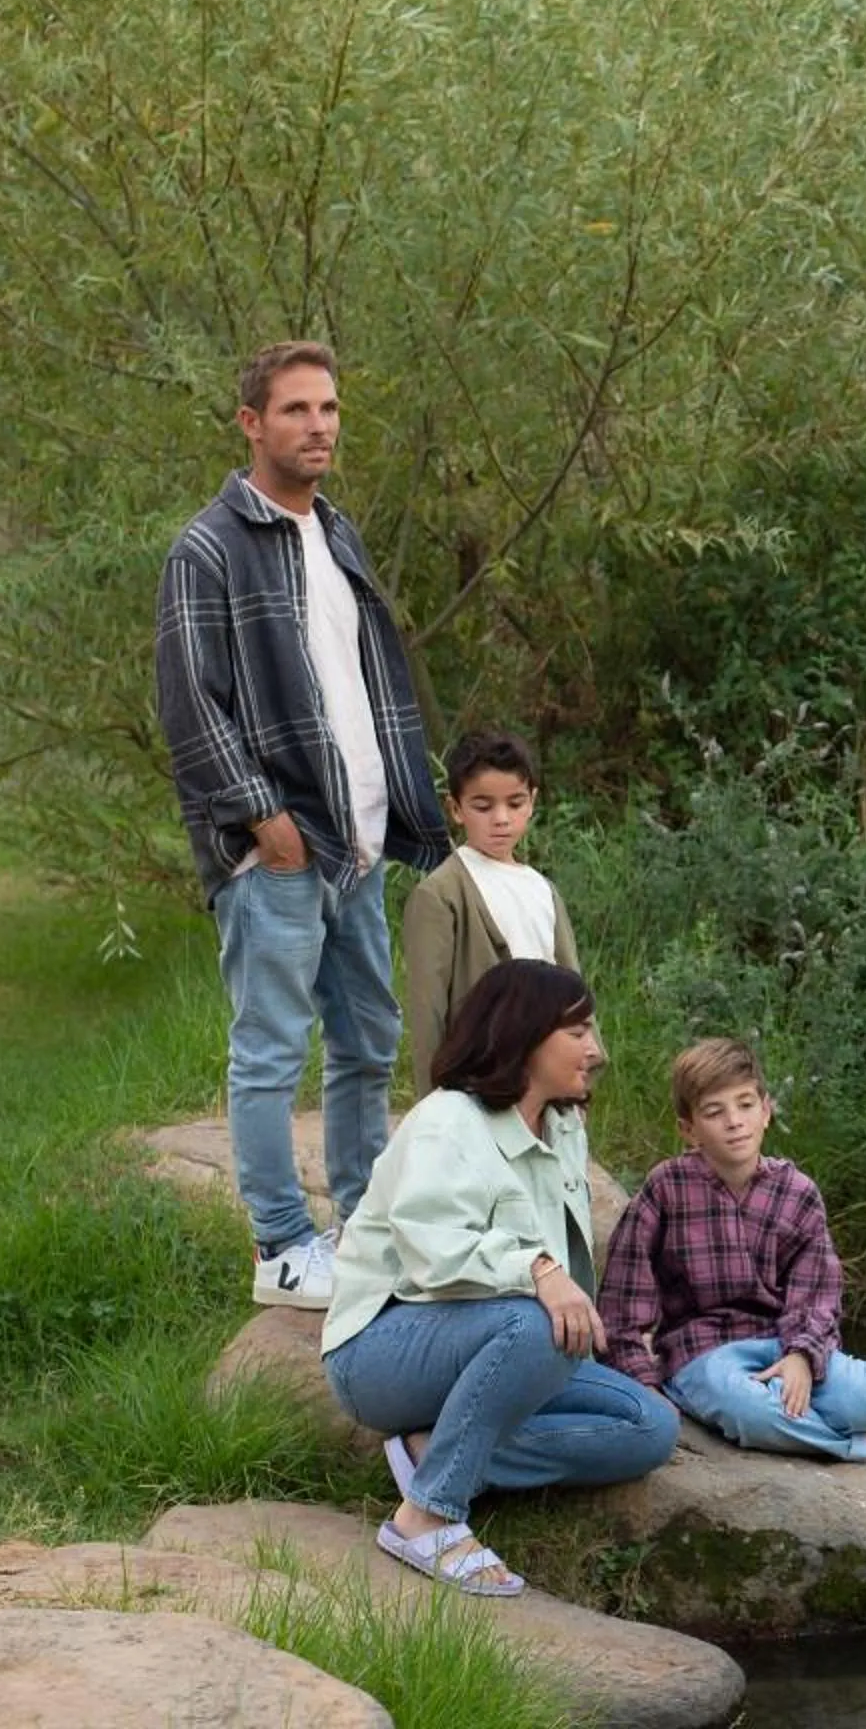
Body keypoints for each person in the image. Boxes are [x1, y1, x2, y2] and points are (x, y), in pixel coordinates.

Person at [155, 340, 447, 1310]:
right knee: (272, 1049)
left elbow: (365, 686)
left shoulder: (337, 532)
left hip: (358, 843)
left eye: (328, 408)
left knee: (368, 1036)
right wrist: (262, 819)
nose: (317, 425)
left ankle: (362, 1225)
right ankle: (281, 1245)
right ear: (251, 423)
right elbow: (191, 707)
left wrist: (389, 813)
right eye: (295, 410)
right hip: (279, 848)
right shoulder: (208, 547)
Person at [322, 959, 679, 1596]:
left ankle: (434, 1449)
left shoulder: (563, 1126)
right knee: (541, 1323)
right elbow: (434, 1254)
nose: (595, 1051)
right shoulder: (447, 1122)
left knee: (650, 1427)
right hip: (380, 1352)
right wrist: (539, 1270)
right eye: (578, 1032)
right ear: (525, 1032)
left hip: (498, 1341)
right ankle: (427, 1516)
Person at [598, 1038, 866, 1470]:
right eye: (715, 1112)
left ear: (766, 1111)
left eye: (745, 1105)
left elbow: (817, 1292)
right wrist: (645, 1387)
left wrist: (801, 1354)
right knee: (750, 1412)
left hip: (778, 1338)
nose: (734, 1122)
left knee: (864, 1399)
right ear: (688, 1129)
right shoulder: (666, 1189)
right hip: (702, 1353)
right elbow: (621, 1308)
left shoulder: (797, 1192)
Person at [402, 728, 581, 1095]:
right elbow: (427, 1011)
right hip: (481, 1079)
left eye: (514, 804)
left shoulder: (543, 890)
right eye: (483, 807)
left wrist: (582, 1076)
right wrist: (432, 1104)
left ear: (532, 801)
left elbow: (574, 990)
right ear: (455, 808)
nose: (500, 819)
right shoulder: (440, 893)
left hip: (547, 1075)